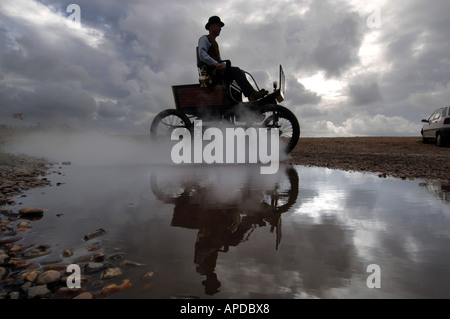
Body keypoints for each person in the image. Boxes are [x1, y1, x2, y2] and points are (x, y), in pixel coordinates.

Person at [197, 16, 268, 102]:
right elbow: (202, 54)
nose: (220, 29)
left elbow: (219, 60)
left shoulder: (214, 42)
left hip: (217, 71)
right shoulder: (204, 39)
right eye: (219, 26)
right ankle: (251, 94)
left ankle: (248, 97)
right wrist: (216, 64)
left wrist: (225, 65)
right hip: (210, 74)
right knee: (236, 71)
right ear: (211, 26)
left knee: (240, 72)